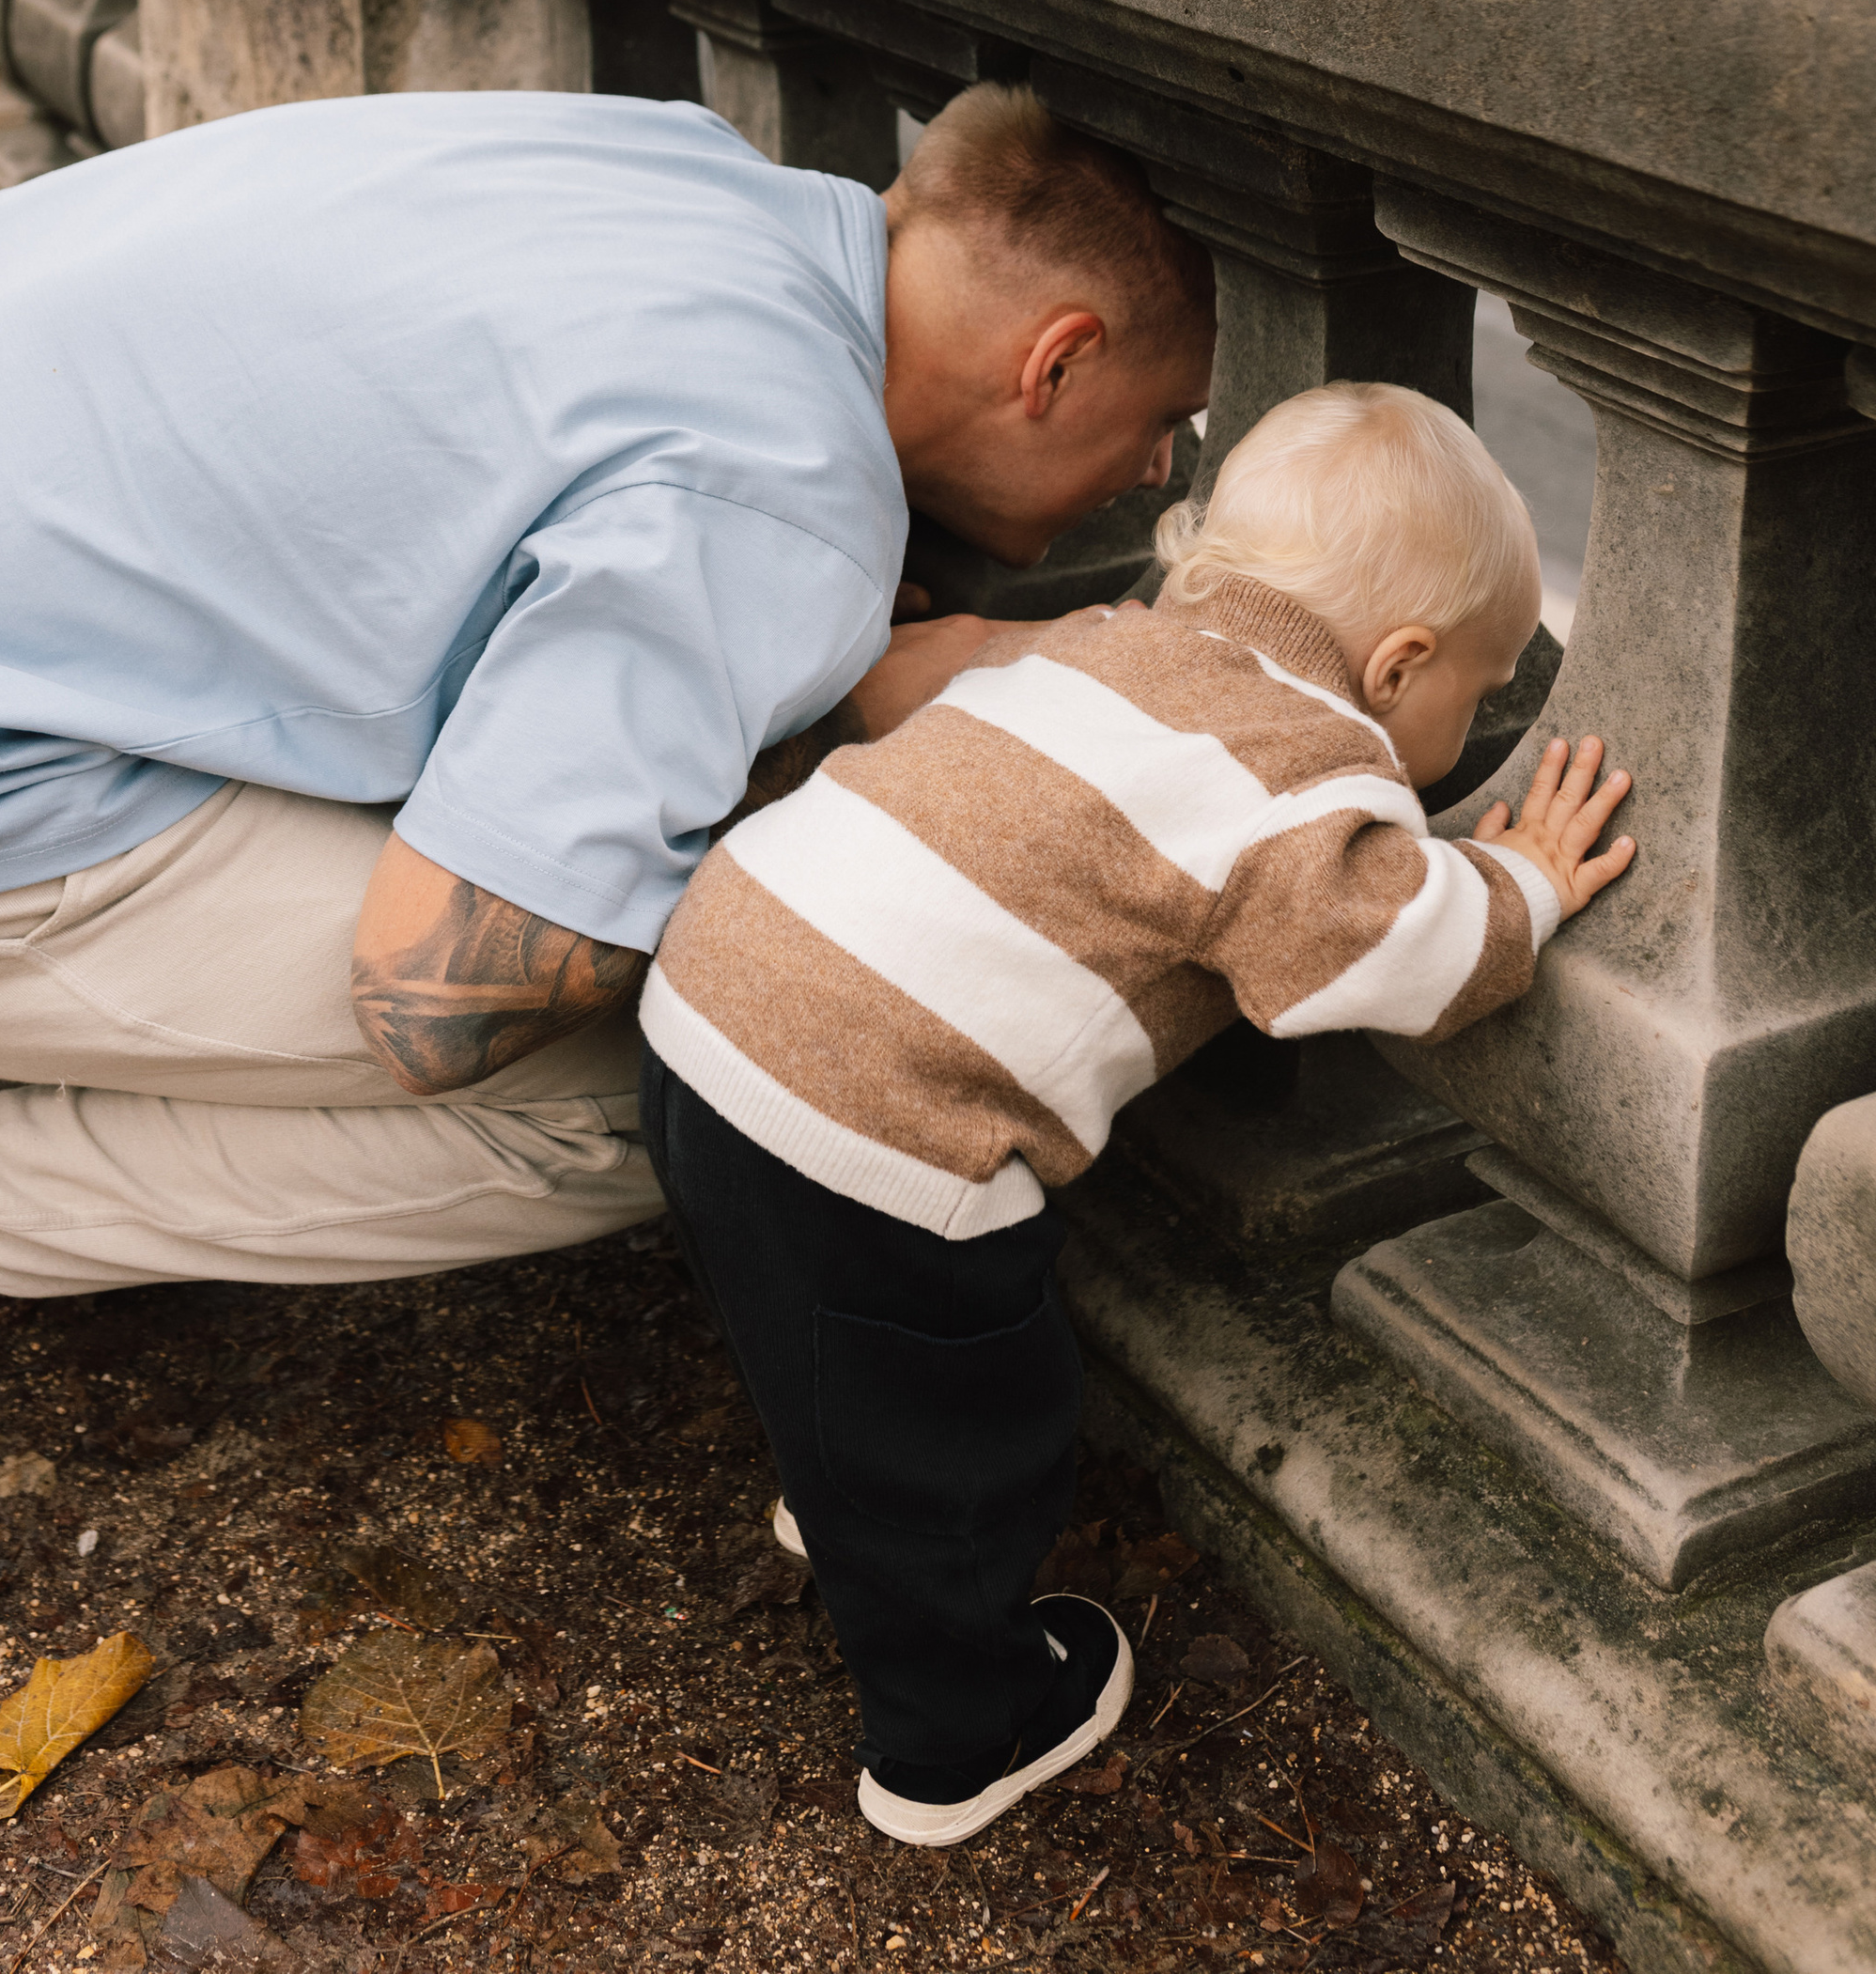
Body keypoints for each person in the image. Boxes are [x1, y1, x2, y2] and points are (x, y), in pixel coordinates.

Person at [0, 84, 1215, 1673]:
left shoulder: (687, 173)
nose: (1156, 482)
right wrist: (840, 788)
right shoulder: (786, 496)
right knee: (696, 1076)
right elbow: (437, 1002)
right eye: (1160, 432)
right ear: (1056, 363)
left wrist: (819, 684)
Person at [640, 381, 1637, 1851]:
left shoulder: (1108, 640)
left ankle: (837, 1492)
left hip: (713, 984)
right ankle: (954, 1740)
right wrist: (1527, 885)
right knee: (975, 1417)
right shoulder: (1306, 762)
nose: (1469, 726)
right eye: (1475, 699)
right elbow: (1382, 959)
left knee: (810, 1319)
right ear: (1397, 664)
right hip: (874, 1113)